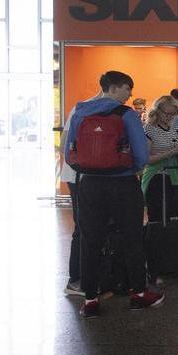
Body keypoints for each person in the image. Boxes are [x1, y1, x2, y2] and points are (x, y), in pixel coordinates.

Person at [65, 70, 162, 318]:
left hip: (89, 185)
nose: (130, 94)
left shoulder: (80, 112)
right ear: (115, 88)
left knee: (90, 240)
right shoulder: (126, 114)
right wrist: (135, 169)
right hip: (123, 184)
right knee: (132, 238)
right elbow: (140, 152)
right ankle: (139, 295)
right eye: (128, 89)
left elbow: (69, 153)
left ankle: (90, 300)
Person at [60, 88, 105, 297]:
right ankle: (76, 279)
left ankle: (88, 277)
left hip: (85, 176)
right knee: (83, 228)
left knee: (90, 226)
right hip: (79, 177)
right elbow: (65, 146)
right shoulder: (84, 109)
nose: (128, 96)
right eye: (126, 91)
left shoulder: (87, 109)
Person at [142, 95, 178, 227]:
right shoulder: (149, 129)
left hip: (175, 176)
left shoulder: (175, 130)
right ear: (158, 111)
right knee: (157, 216)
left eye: (173, 114)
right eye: (167, 114)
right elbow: (147, 159)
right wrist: (172, 152)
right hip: (156, 177)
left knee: (174, 215)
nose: (169, 117)